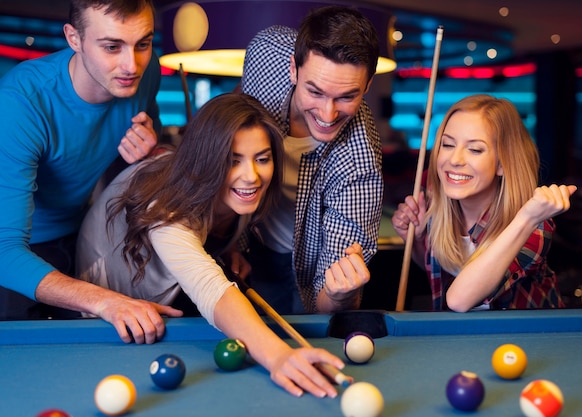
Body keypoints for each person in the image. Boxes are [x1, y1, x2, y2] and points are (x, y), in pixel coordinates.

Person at [76, 92, 345, 398]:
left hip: (163, 289)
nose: (251, 176)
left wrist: (223, 247)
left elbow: (205, 229)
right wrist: (278, 355)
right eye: (233, 161)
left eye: (262, 158)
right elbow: (210, 288)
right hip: (106, 304)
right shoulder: (165, 211)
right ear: (206, 160)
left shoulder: (233, 192)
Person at [0, 0, 182, 342]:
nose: (132, 64)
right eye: (112, 47)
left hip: (86, 233)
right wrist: (105, 301)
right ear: (73, 38)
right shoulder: (20, 103)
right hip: (17, 251)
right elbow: (4, 249)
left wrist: (151, 148)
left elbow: (148, 131)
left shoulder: (147, 73)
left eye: (143, 43)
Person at [240, 5, 384, 314]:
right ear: (292, 69)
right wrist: (228, 239)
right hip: (241, 242)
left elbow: (327, 300)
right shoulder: (265, 54)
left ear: (368, 85)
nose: (328, 114)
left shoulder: (359, 163)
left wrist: (341, 295)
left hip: (303, 266)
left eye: (346, 97)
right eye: (315, 92)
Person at [391, 94, 577, 312]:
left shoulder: (533, 225)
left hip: (527, 342)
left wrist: (527, 218)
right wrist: (417, 241)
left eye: (475, 149)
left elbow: (459, 300)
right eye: (448, 145)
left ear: (502, 164)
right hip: (457, 342)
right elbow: (443, 268)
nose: (454, 160)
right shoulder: (438, 208)